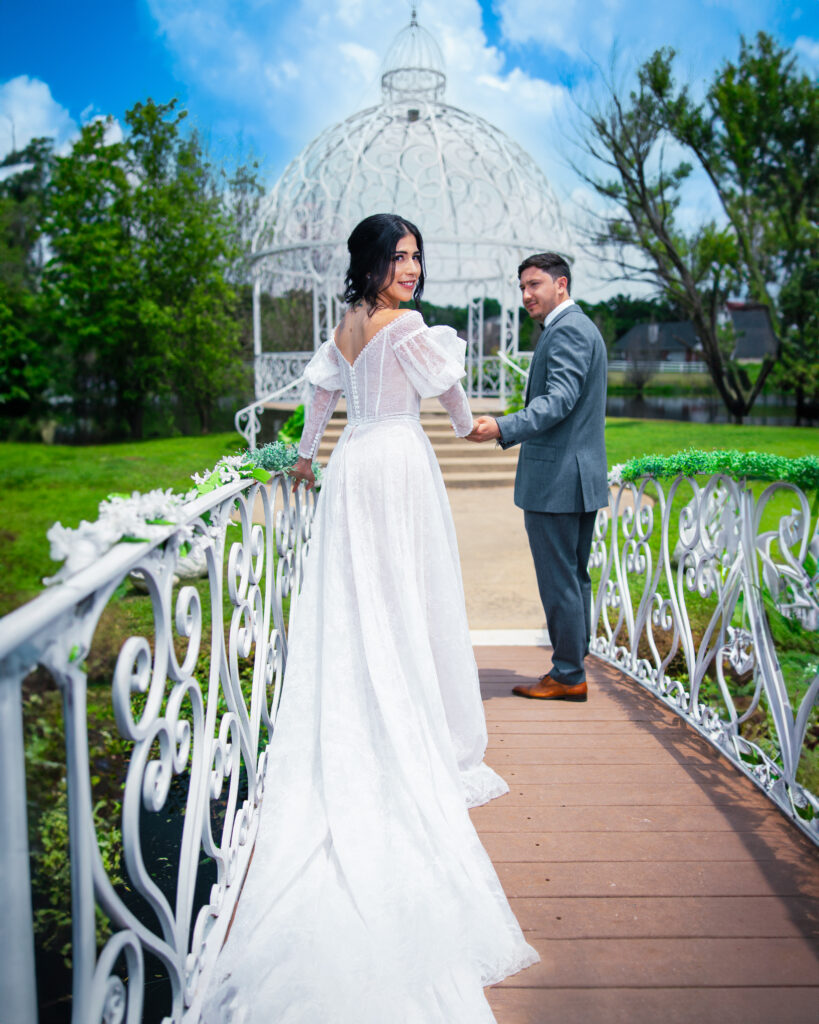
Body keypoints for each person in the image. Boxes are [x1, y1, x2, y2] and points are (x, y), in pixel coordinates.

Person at [202, 214, 537, 1023]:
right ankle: (415, 720)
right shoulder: (415, 328)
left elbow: (313, 422)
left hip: (354, 470)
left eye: (417, 257)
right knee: (410, 599)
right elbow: (457, 417)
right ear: (373, 263)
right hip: (399, 466)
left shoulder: (343, 327)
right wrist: (487, 429)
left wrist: (302, 463)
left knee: (358, 601)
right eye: (399, 257)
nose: (411, 270)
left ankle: (366, 705)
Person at [467, 252, 608, 701]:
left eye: (535, 285)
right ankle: (571, 668)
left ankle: (568, 675)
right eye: (522, 287)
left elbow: (560, 400)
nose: (526, 295)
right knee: (573, 577)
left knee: (560, 579)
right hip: (576, 477)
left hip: (558, 483)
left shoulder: (567, 331)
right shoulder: (576, 327)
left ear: (560, 285)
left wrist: (503, 426)